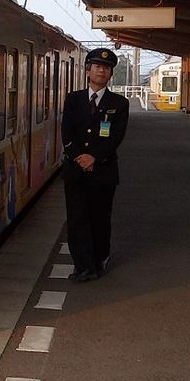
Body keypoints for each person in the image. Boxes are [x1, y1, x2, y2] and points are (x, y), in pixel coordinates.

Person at [61, 47, 130, 283]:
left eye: (106, 68)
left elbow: (116, 137)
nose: (101, 70)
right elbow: (66, 132)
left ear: (110, 74)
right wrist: (79, 156)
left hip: (103, 170)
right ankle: (82, 266)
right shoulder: (73, 99)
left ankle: (99, 260)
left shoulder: (119, 103)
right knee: (77, 219)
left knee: (100, 218)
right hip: (75, 170)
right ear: (88, 70)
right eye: (97, 66)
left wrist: (95, 157)